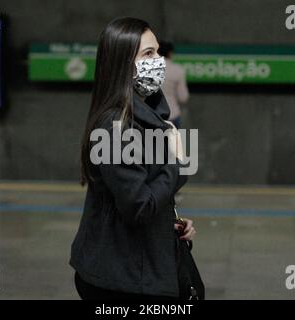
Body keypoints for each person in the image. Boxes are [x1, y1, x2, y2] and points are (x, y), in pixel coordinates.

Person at [69, 17, 196, 300]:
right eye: (148, 54)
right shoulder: (116, 127)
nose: (159, 61)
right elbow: (138, 207)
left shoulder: (146, 115)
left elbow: (141, 191)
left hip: (133, 266)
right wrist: (178, 160)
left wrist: (168, 220)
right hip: (119, 279)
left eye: (158, 52)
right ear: (123, 63)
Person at [158, 41, 190, 129]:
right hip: (173, 114)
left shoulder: (149, 70)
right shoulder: (178, 70)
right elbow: (183, 97)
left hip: (154, 115)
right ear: (170, 53)